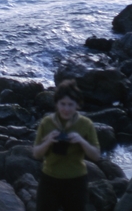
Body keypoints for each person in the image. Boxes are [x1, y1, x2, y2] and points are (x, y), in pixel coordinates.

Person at [32, 79, 100, 211]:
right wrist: (48, 141)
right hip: (49, 180)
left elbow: (96, 156)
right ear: (56, 104)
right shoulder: (47, 123)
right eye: (62, 104)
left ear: (77, 105)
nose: (66, 109)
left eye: (70, 104)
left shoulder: (85, 124)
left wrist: (81, 140)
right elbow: (36, 153)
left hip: (76, 181)